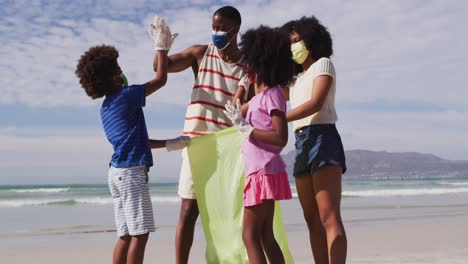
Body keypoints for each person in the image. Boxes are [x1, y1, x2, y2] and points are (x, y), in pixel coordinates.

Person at [75, 17, 189, 264]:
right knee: (140, 234)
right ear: (110, 78)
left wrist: (171, 143)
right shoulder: (127, 96)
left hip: (115, 173)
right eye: (117, 70)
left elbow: (138, 141)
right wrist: (161, 47)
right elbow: (161, 79)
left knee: (125, 235)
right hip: (131, 174)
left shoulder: (107, 108)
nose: (121, 72)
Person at [152, 6, 250, 263]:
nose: (215, 32)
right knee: (188, 211)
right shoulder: (201, 53)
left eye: (221, 27)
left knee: (227, 213)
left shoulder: (247, 67)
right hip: (196, 145)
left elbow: (250, 106)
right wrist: (161, 47)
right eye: (214, 27)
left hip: (229, 148)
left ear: (235, 29)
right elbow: (160, 67)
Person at [224, 25, 294, 264]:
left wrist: (249, 131)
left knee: (250, 235)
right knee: (264, 235)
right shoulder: (257, 99)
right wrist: (243, 87)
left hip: (263, 172)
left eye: (249, 64)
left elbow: (280, 137)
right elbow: (235, 108)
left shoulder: (273, 94)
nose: (247, 68)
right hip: (260, 172)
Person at [281, 16, 347, 264]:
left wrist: (279, 119)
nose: (294, 46)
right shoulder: (295, 80)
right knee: (311, 219)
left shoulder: (323, 64)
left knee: (329, 217)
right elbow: (268, 93)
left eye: (298, 40)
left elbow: (315, 103)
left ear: (312, 39)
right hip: (300, 143)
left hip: (323, 136)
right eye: (290, 43)